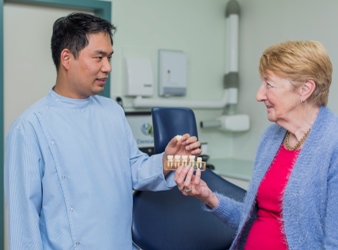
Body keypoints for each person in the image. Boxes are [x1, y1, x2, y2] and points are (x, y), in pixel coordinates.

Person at [4, 12, 201, 250]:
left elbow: (132, 170)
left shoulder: (112, 112)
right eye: (98, 57)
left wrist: (168, 161)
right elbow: (24, 225)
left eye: (109, 57)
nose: (107, 67)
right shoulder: (29, 128)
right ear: (66, 58)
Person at [175, 40, 338, 249]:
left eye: (269, 84)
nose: (259, 95)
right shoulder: (272, 137)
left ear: (305, 89)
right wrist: (208, 196)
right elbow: (250, 221)